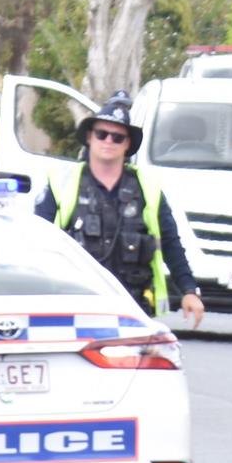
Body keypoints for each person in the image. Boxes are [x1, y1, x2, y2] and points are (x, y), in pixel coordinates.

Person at [34, 91, 205, 328]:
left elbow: (170, 244)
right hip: (77, 304)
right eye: (101, 134)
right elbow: (37, 241)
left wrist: (189, 290)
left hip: (134, 307)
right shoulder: (61, 184)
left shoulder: (148, 190)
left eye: (117, 137)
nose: (108, 142)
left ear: (127, 145)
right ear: (89, 138)